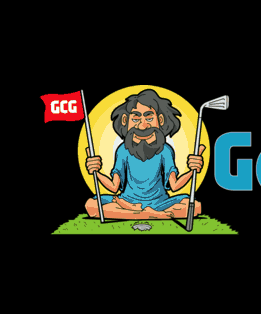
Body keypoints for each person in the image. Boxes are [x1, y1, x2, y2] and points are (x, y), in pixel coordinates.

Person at [82, 88, 204, 220]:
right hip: (127, 202)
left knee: (194, 205)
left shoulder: (166, 150)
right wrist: (96, 171)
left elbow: (174, 186)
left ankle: (142, 214)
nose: (143, 125)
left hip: (160, 203)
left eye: (149, 117)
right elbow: (113, 187)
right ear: (125, 120)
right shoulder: (123, 150)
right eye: (135, 119)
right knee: (92, 205)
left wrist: (193, 170)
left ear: (160, 120)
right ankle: (151, 215)